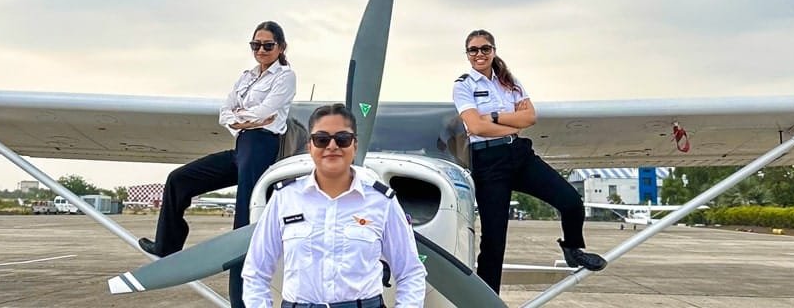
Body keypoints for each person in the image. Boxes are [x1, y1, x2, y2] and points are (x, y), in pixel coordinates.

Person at [138, 21, 296, 308]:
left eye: (268, 45)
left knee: (243, 221)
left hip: (263, 147)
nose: (261, 50)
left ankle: (242, 299)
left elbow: (266, 112)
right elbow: (225, 112)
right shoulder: (246, 76)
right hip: (242, 144)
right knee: (179, 178)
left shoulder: (285, 76)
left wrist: (244, 115)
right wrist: (243, 119)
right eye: (255, 45)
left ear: (281, 48)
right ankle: (166, 247)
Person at [452, 29, 607, 293]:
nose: (480, 54)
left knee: (570, 200)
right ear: (467, 55)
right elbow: (476, 126)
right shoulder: (463, 85)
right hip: (488, 162)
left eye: (485, 49)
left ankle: (572, 247)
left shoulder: (509, 81)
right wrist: (510, 123)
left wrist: (495, 118)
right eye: (473, 50)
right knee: (494, 241)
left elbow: (530, 117)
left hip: (519, 155)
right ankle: (488, 299)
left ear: (494, 51)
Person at [242, 103, 427, 308]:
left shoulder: (383, 202)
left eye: (342, 139)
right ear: (310, 146)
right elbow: (255, 272)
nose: (332, 146)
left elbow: (410, 272)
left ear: (354, 145)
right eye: (321, 139)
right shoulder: (284, 198)